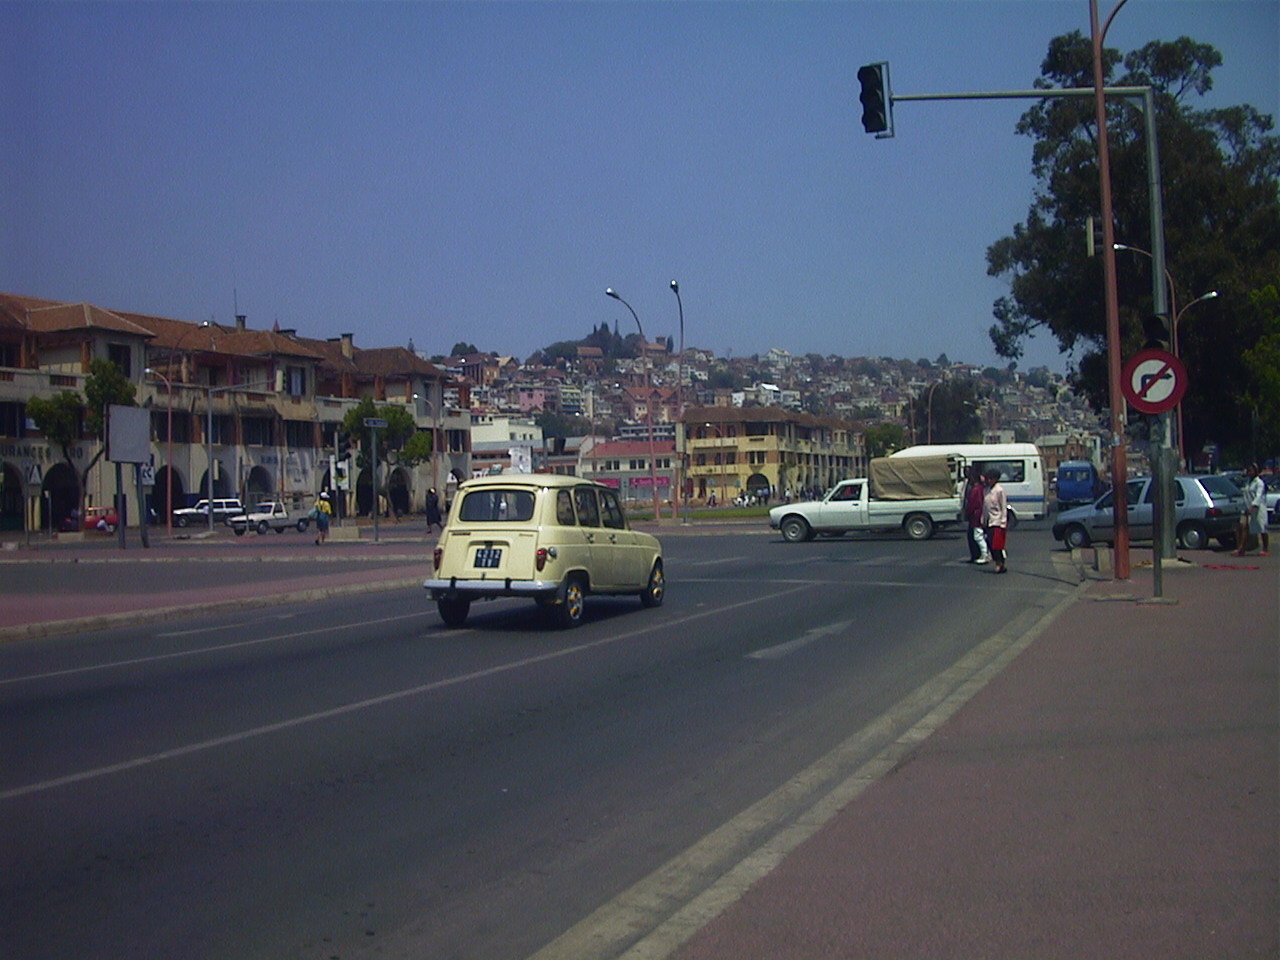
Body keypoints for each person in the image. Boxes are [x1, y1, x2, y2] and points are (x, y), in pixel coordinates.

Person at [1234, 463, 1270, 557]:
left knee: (1262, 529)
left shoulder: (1259, 483)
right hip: (1247, 509)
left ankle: (1265, 549)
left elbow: (1258, 496)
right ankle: (1241, 549)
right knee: (1245, 528)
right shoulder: (1248, 482)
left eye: (1251, 470)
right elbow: (1245, 495)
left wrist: (1253, 506)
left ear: (1256, 471)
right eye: (1248, 471)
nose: (1249, 472)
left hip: (1258, 509)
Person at [982, 466, 1009, 574]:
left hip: (997, 521)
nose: (989, 481)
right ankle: (999, 562)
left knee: (996, 544)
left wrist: (1003, 522)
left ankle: (1000, 563)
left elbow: (1003, 507)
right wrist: (983, 519)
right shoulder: (986, 490)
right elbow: (985, 506)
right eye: (988, 479)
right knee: (990, 543)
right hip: (989, 520)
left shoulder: (999, 490)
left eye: (991, 479)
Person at [963, 465, 990, 564]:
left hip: (976, 515)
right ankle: (981, 554)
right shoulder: (980, 487)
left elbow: (973, 503)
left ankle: (982, 554)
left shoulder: (976, 489)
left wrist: (967, 513)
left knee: (977, 536)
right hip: (978, 514)